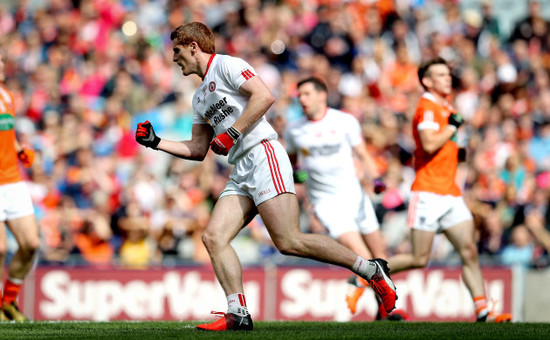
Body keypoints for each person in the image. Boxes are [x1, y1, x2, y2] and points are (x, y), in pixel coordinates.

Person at [135, 22, 397, 331]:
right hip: (241, 168)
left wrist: (232, 132)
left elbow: (264, 96)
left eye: (177, 51)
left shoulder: (228, 65)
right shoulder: (199, 98)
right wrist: (157, 142)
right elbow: (197, 148)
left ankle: (372, 271)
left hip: (263, 154)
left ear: (193, 47)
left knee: (289, 241)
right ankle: (238, 313)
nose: (174, 58)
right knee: (213, 237)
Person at [386, 57, 511, 323]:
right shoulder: (428, 106)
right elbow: (430, 143)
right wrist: (454, 126)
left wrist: (461, 151)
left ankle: (483, 311)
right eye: (440, 74)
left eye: (448, 74)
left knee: (469, 250)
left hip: (451, 193)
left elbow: (444, 148)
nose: (447, 78)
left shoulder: (445, 107)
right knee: (419, 258)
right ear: (427, 81)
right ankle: (369, 273)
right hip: (428, 192)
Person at [283, 76, 404, 320]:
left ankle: (383, 311)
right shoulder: (294, 129)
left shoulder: (344, 121)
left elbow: (362, 154)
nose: (301, 99)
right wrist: (298, 175)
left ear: (322, 95)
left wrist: (376, 179)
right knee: (363, 257)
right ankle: (358, 283)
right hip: (326, 203)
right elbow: (292, 165)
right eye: (300, 95)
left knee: (381, 257)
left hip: (355, 196)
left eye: (306, 93)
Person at [0, 51, 40, 322]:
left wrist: (20, 150)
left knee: (30, 244)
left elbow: (7, 134)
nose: (3, 65)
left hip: (12, 180)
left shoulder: (7, 96)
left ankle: (8, 302)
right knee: (0, 249)